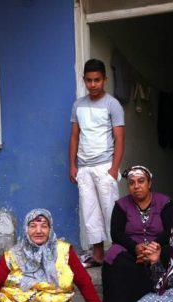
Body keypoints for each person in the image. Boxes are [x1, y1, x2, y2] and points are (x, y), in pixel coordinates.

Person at [69, 58, 125, 268]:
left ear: (105, 80)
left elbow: (120, 139)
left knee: (111, 211)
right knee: (90, 212)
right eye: (89, 80)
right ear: (84, 80)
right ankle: (98, 256)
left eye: (97, 80)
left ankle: (117, 255)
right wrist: (73, 165)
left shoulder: (112, 104)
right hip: (84, 168)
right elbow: (74, 136)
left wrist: (113, 169)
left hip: (105, 167)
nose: (93, 85)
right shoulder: (78, 105)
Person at [102, 165, 173, 302]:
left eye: (141, 181)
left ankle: (163, 300)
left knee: (169, 254)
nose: (136, 186)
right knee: (113, 255)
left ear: (149, 183)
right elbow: (116, 234)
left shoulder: (165, 202)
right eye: (131, 183)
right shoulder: (121, 205)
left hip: (159, 246)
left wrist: (154, 246)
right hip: (132, 247)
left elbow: (171, 230)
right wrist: (135, 247)